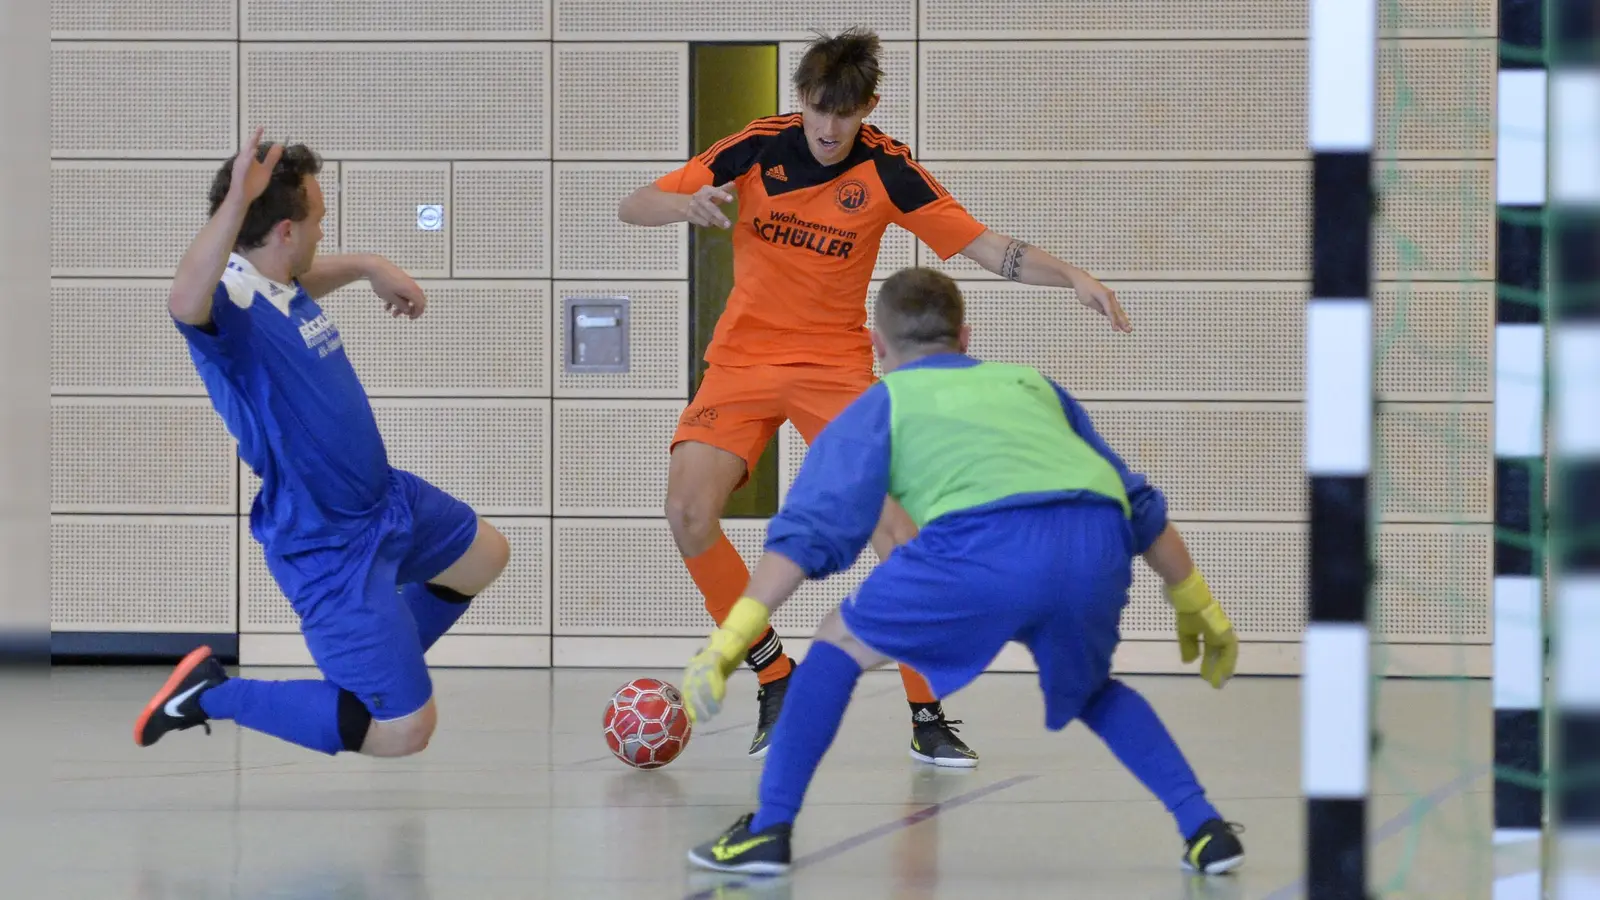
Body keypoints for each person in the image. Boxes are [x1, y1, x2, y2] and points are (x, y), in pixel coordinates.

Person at [617, 27, 1131, 765]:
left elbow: (987, 247)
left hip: (836, 369)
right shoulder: (756, 145)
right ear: (801, 101)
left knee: (900, 535)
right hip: (741, 362)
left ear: (869, 108)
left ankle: (927, 710)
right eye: (820, 111)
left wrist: (1074, 276)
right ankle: (774, 674)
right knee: (687, 512)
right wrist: (684, 205)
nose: (830, 129)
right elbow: (632, 204)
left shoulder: (888, 170)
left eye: (846, 114)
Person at [677, 267, 1246, 876]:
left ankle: (769, 829)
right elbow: (1135, 499)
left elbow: (807, 534)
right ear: (965, 337)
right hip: (1091, 543)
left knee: (839, 642)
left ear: (878, 346)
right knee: (1094, 689)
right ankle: (1205, 828)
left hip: (980, 545)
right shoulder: (1034, 385)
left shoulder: (881, 403)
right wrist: (1196, 601)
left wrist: (733, 637)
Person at [132, 127, 511, 758]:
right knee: (404, 732)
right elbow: (181, 300)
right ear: (285, 231)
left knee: (484, 555)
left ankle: (371, 662)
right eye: (318, 222)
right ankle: (206, 694)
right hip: (328, 539)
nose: (321, 233)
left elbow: (300, 284)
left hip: (385, 501)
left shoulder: (279, 286)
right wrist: (234, 203)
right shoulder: (225, 300)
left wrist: (368, 266)